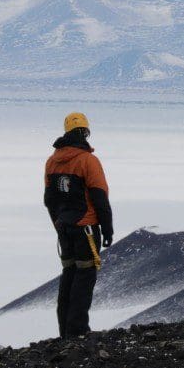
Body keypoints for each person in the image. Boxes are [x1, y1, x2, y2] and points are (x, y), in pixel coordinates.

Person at [44, 112, 114, 339]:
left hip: (64, 228)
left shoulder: (52, 161)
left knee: (69, 274)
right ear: (85, 132)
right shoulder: (88, 161)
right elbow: (99, 196)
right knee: (84, 277)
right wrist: (107, 228)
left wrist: (58, 224)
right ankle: (78, 332)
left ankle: (65, 332)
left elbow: (50, 199)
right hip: (86, 228)